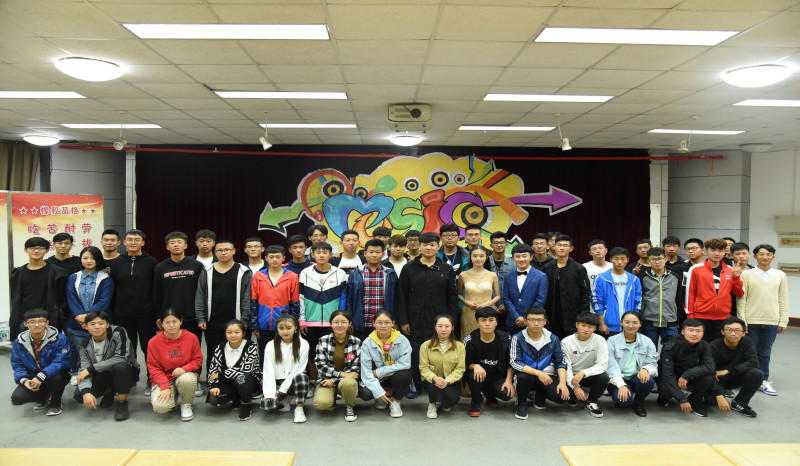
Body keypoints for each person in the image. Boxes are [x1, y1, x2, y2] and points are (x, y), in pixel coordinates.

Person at [396, 232, 458, 398]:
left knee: (437, 355)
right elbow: (401, 296)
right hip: (414, 321)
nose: (428, 248)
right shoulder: (409, 268)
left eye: (432, 245)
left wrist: (451, 322)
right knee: (415, 355)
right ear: (419, 246)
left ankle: (437, 387)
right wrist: (403, 321)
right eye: (425, 245)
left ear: (438, 246)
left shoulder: (446, 269)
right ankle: (416, 387)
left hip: (439, 322)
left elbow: (452, 297)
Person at [153, 231, 204, 397]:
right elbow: (157, 294)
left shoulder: (196, 266)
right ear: (167, 247)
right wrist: (159, 316)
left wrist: (201, 315)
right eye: (172, 242)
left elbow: (202, 292)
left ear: (186, 245)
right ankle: (169, 379)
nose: (176, 245)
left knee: (193, 350)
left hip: (191, 315)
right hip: (169, 319)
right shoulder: (160, 267)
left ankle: (194, 380)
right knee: (170, 351)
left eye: (179, 242)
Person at [109, 229, 159, 395]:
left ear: (143, 243)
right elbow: (113, 288)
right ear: (124, 242)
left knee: (149, 348)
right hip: (122, 313)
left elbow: (155, 288)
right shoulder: (117, 262)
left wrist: (156, 312)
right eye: (129, 239)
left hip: (146, 313)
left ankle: (152, 379)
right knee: (127, 349)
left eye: (136, 240)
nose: (132, 242)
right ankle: (130, 378)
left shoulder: (152, 262)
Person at [195, 239, 253, 373]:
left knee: (238, 354)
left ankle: (238, 381)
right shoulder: (207, 271)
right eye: (220, 250)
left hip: (237, 322)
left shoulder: (244, 271)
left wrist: (244, 319)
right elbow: (200, 295)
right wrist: (201, 318)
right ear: (215, 252)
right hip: (212, 322)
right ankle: (213, 381)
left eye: (227, 250)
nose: (223, 253)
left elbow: (248, 297)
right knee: (213, 354)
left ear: (234, 251)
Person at [737, 244, 788, 396]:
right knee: (749, 353)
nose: (765, 257)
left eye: (768, 254)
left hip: (772, 320)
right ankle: (747, 379)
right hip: (751, 320)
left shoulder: (780, 275)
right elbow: (742, 299)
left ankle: (763, 379)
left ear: (773, 256)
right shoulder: (747, 274)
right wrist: (742, 321)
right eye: (761, 254)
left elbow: (783, 299)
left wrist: (783, 320)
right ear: (755, 257)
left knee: (765, 353)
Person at [73, 311, 139, 421]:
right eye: (92, 324)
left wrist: (92, 368)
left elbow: (122, 357)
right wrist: (86, 392)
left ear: (107, 324)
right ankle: (110, 391)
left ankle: (122, 403)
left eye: (101, 323)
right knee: (80, 395)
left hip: (126, 372)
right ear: (86, 327)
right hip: (102, 375)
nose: (97, 327)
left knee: (120, 367)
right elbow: (83, 371)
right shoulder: (83, 346)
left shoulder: (118, 332)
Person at [299, 241, 348, 388]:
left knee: (332, 354)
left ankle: (333, 383)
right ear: (312, 254)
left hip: (332, 323)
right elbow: (301, 298)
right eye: (318, 252)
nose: (321, 255)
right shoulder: (305, 273)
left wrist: (340, 320)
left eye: (325, 252)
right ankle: (313, 382)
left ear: (331, 254)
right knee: (311, 353)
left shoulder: (340, 273)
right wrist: (302, 320)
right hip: (310, 322)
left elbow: (343, 298)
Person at [509, 306, 569, 420]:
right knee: (522, 377)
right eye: (531, 320)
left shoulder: (553, 339)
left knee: (562, 397)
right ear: (525, 321)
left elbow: (560, 362)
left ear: (545, 321)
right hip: (527, 375)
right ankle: (521, 403)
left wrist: (562, 383)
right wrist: (538, 373)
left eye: (539, 320)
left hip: (547, 375)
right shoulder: (517, 338)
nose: (536, 323)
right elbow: (515, 362)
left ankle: (540, 397)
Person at [65, 246, 114, 384]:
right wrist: (81, 317)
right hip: (77, 322)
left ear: (98, 260)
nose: (88, 261)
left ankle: (99, 374)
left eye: (92, 258)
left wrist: (87, 318)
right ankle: (77, 372)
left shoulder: (105, 279)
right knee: (79, 349)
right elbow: (71, 298)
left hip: (98, 321)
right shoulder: (73, 277)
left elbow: (104, 300)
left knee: (100, 350)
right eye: (85, 258)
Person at [10, 309, 70, 416]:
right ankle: (43, 397)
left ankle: (55, 403)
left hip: (54, 374)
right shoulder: (19, 342)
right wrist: (24, 380)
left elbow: (61, 362)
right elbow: (17, 364)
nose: (37, 325)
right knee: (17, 398)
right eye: (32, 322)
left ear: (47, 323)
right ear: (25, 324)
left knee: (58, 379)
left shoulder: (60, 339)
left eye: (41, 321)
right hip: (33, 376)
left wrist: (42, 376)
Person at [146, 309, 203, 422]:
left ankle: (186, 404)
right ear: (161, 324)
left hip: (185, 375)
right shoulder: (153, 342)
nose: (171, 325)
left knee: (186, 380)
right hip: (165, 378)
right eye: (167, 322)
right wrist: (164, 386)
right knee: (161, 408)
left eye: (174, 321)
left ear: (180, 321)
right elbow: (154, 368)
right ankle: (173, 394)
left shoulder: (191, 338)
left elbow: (197, 360)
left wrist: (185, 369)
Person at [685, 238, 744, 342]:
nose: (717, 254)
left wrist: (736, 277)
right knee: (700, 347)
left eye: (720, 250)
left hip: (723, 317)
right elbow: (690, 294)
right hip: (700, 316)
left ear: (725, 252)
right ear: (705, 251)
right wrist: (690, 316)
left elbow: (739, 293)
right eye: (713, 250)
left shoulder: (730, 270)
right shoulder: (695, 269)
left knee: (718, 348)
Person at [656, 318, 717, 417]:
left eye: (698, 331)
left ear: (703, 333)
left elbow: (710, 367)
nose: (694, 334)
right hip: (670, 375)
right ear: (683, 331)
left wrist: (687, 375)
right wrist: (682, 400)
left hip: (688, 374)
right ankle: (663, 397)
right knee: (666, 392)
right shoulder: (670, 346)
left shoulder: (704, 345)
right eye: (690, 330)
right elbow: (667, 375)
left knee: (708, 378)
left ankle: (694, 401)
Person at [359, 310, 412, 418]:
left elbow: (405, 364)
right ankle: (380, 398)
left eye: (387, 322)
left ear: (393, 323)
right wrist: (378, 392)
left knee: (403, 376)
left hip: (393, 375)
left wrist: (380, 372)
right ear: (374, 323)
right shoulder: (367, 343)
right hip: (378, 378)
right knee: (365, 393)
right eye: (379, 322)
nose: (383, 326)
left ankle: (395, 402)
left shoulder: (402, 340)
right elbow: (366, 371)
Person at [463, 307, 514, 417]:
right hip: (478, 375)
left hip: (497, 374)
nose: (487, 324)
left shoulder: (505, 338)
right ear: (477, 323)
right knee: (473, 375)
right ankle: (476, 400)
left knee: (506, 394)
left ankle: (490, 396)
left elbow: (511, 362)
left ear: (496, 322)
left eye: (491, 320)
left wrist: (509, 380)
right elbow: (464, 364)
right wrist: (475, 366)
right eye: (483, 320)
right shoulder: (470, 340)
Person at [250, 245, 300, 357]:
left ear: (283, 258)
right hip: (263, 324)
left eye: (278, 257)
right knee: (264, 355)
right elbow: (253, 302)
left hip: (284, 325)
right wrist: (254, 324)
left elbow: (295, 304)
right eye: (271, 257)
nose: (274, 260)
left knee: (283, 355)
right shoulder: (258, 276)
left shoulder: (291, 276)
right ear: (266, 258)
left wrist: (294, 324)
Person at [206, 320, 261, 421]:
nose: (233, 335)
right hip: (228, 382)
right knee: (214, 399)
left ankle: (246, 404)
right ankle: (236, 398)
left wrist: (221, 374)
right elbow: (213, 369)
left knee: (241, 379)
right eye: (229, 332)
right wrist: (214, 385)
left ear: (243, 333)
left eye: (237, 332)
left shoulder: (251, 346)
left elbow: (246, 370)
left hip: (248, 381)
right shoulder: (220, 347)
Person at [10, 237, 64, 339]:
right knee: (23, 348)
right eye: (32, 248)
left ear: (47, 250)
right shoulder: (17, 273)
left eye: (40, 248)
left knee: (50, 348)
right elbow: (15, 297)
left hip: (47, 321)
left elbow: (62, 297)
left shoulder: (57, 273)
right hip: (24, 321)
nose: (36, 251)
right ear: (25, 250)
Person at [606, 311, 658, 417]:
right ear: (621, 323)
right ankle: (622, 396)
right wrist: (621, 385)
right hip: (618, 379)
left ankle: (638, 403)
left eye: (635, 323)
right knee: (623, 402)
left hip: (636, 378)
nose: (630, 326)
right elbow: (610, 367)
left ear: (640, 324)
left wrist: (646, 369)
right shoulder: (612, 341)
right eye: (627, 322)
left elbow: (653, 362)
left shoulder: (647, 341)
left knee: (648, 380)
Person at [708, 316, 762, 418]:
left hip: (735, 376)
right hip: (717, 380)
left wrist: (728, 371)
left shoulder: (747, 342)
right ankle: (719, 393)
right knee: (712, 402)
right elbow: (709, 372)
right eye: (729, 330)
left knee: (757, 374)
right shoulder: (713, 346)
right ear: (723, 332)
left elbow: (753, 362)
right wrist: (719, 394)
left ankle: (740, 402)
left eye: (737, 330)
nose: (733, 333)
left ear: (743, 332)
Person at [313, 311, 362, 422]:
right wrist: (341, 375)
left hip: (345, 380)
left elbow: (355, 369)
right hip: (326, 379)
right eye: (336, 322)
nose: (339, 325)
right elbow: (320, 365)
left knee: (349, 382)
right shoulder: (323, 340)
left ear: (349, 324)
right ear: (330, 323)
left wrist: (334, 380)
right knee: (322, 404)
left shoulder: (356, 342)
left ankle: (350, 406)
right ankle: (332, 399)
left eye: (343, 322)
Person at [346, 239, 398, 342]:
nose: (374, 255)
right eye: (371, 252)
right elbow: (349, 299)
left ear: (383, 254)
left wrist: (395, 321)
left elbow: (396, 299)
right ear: (365, 253)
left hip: (383, 324)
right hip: (361, 323)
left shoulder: (390, 274)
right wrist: (349, 320)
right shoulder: (356, 273)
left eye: (377, 252)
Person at [542, 234, 591, 340]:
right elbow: (542, 292)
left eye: (565, 245)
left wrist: (583, 315)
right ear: (554, 247)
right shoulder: (547, 267)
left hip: (572, 314)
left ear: (571, 248)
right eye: (559, 245)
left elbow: (586, 293)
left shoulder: (579, 269)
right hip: (551, 314)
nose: (562, 248)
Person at [262, 315, 310, 423]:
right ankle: (284, 399)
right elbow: (268, 369)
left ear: (295, 328)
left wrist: (284, 387)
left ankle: (299, 408)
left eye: (289, 328)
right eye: (281, 328)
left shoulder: (303, 344)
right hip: (277, 381)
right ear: (277, 329)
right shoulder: (270, 345)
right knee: (267, 405)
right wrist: (269, 392)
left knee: (302, 378)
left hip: (293, 381)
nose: (285, 332)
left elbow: (299, 368)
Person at [561, 312, 609, 417]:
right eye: (583, 325)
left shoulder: (600, 340)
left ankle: (591, 402)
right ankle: (572, 397)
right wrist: (575, 387)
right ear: (577, 325)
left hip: (588, 375)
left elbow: (602, 365)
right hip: (572, 376)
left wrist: (583, 373)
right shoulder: (566, 342)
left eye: (590, 327)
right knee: (565, 395)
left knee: (603, 377)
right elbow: (566, 367)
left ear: (595, 328)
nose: (586, 329)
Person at [419, 314, 466, 419]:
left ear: (452, 328)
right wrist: (435, 378)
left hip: (450, 381)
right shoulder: (425, 346)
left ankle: (445, 402)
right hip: (432, 380)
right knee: (433, 387)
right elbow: (423, 368)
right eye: (440, 326)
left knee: (452, 400)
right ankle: (432, 404)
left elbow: (460, 369)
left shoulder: (460, 346)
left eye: (447, 326)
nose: (443, 329)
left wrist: (447, 380)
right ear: (435, 327)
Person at [594, 247, 641, 337]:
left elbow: (637, 302)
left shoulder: (634, 280)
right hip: (608, 325)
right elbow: (597, 302)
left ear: (628, 260)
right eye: (616, 259)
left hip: (629, 326)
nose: (619, 262)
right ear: (611, 259)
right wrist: (602, 323)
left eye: (623, 259)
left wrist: (635, 322)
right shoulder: (601, 278)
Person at [640, 247, 681, 348]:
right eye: (653, 259)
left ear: (665, 259)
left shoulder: (675, 277)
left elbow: (679, 299)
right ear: (648, 261)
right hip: (648, 321)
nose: (657, 262)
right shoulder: (642, 277)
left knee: (672, 350)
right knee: (649, 351)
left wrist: (679, 320)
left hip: (670, 321)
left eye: (660, 259)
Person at [458, 245, 500, 338]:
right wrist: (467, 302)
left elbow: (497, 296)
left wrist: (486, 304)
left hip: (487, 312)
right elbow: (459, 295)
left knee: (486, 337)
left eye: (481, 256)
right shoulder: (463, 275)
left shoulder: (492, 275)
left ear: (486, 257)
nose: (478, 259)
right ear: (470, 257)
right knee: (468, 338)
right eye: (475, 256)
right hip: (469, 312)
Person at [503, 244, 547, 332]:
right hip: (513, 321)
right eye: (518, 256)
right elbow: (506, 298)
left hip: (533, 322)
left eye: (524, 256)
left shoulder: (541, 276)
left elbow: (540, 300)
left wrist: (526, 318)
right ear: (513, 258)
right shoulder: (508, 277)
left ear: (531, 257)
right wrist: (516, 317)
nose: (521, 259)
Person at [487, 231, 515, 315]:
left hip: (508, 308)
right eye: (496, 243)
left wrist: (506, 305)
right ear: (491, 245)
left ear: (506, 245)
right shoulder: (484, 263)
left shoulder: (513, 265)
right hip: (487, 307)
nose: (499, 245)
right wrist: (491, 304)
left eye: (502, 243)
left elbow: (514, 288)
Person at [582, 239, 612, 311]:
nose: (598, 251)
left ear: (606, 250)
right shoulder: (584, 267)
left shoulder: (613, 266)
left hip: (610, 304)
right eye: (594, 249)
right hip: (591, 305)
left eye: (600, 248)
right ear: (590, 253)